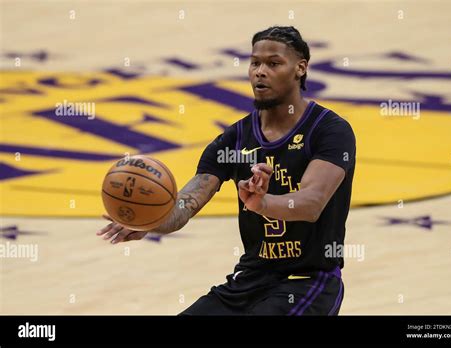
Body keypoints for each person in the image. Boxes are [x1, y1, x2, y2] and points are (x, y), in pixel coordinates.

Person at [97, 26, 356, 316]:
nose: (260, 71)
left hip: (308, 283)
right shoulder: (233, 140)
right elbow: (185, 205)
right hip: (249, 280)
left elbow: (312, 203)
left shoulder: (329, 130)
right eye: (255, 62)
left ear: (300, 68)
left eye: (273, 63)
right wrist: (150, 219)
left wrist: (263, 203)